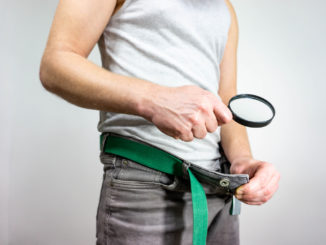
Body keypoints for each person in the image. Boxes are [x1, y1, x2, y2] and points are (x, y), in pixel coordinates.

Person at [39, 0, 280, 244]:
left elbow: (226, 98)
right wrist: (154, 99)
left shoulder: (225, 8)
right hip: (146, 186)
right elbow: (55, 65)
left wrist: (242, 159)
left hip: (220, 190)